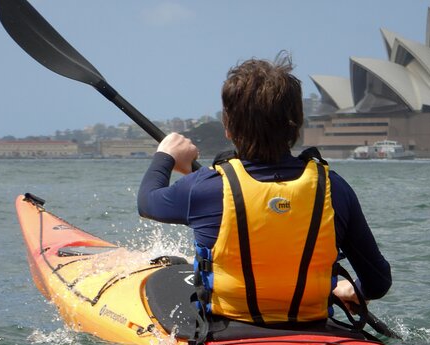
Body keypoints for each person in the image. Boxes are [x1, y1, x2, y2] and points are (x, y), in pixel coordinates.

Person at [138, 52, 390, 328]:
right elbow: (377, 282)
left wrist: (166, 156)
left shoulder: (204, 188)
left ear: (228, 126)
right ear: (297, 125)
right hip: (313, 328)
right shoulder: (334, 189)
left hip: (228, 330)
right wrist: (353, 290)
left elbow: (148, 202)